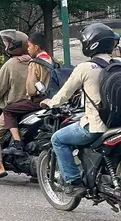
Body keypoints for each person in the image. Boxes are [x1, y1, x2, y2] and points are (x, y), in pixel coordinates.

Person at [41, 23, 116, 197]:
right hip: (116, 125)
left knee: (58, 139)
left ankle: (73, 182)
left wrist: (51, 103)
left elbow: (65, 93)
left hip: (96, 126)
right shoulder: (117, 65)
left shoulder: (85, 68)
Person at [0, 29, 31, 181]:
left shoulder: (11, 64)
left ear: (13, 45)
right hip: (35, 106)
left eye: (7, 42)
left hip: (14, 107)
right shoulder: (34, 61)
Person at [0, 32, 53, 156]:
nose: (27, 49)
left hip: (38, 100)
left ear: (37, 47)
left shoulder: (35, 63)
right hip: (50, 98)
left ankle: (17, 143)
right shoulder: (50, 59)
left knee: (8, 110)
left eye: (29, 46)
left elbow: (31, 88)